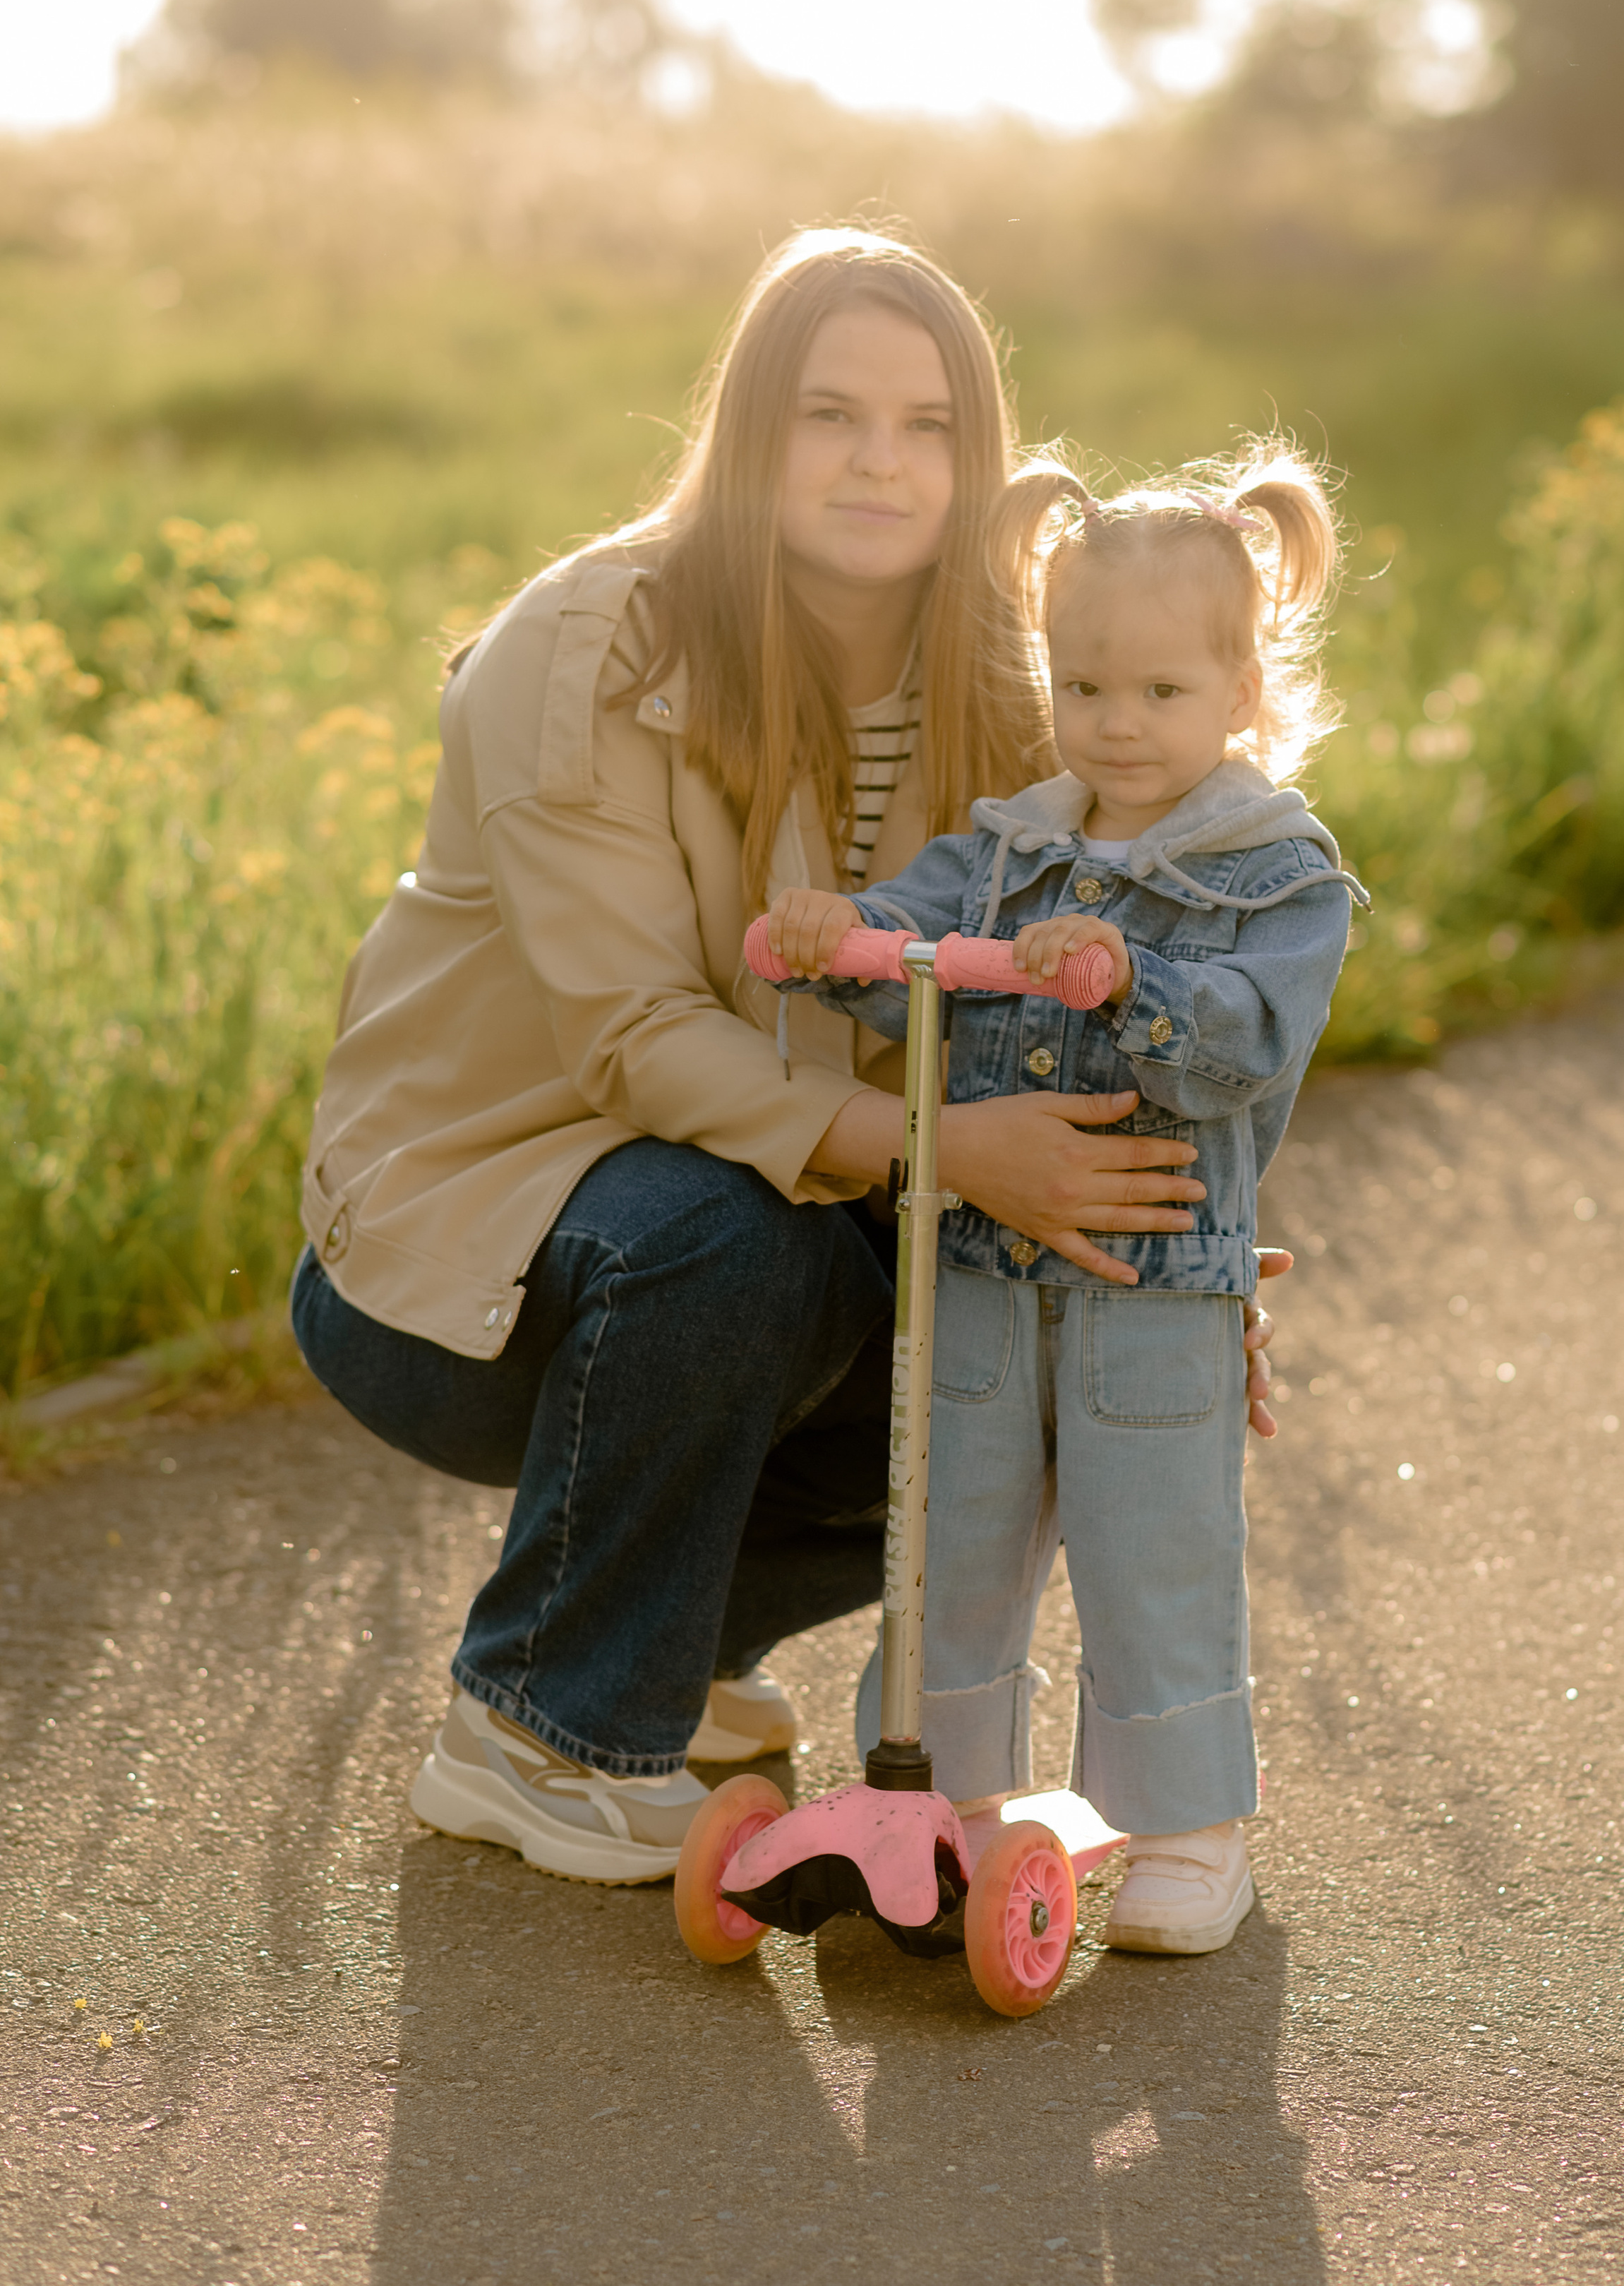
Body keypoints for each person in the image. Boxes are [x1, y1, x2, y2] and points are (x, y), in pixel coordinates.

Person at [289, 227, 1287, 1889]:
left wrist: (1175, 1259)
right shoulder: (593, 641)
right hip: (457, 1258)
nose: (880, 464)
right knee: (725, 1237)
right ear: (752, 426)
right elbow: (629, 1041)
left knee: (1003, 1366)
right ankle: (539, 1725)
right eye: (829, 414)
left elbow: (1096, 987)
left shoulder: (994, 672)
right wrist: (947, 1156)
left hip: (783, 1194)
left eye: (927, 425)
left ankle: (665, 1667)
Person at [762, 463, 1362, 1952]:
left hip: (1154, 1288)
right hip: (974, 1268)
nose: (1115, 722)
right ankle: (943, 1806)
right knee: (945, 1536)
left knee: (1149, 1542)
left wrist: (1130, 977)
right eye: (1083, 683)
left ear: (1240, 686)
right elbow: (916, 930)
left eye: (1160, 689)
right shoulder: (1007, 851)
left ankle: (1186, 1833)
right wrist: (843, 934)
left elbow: (1240, 1041)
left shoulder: (1277, 878)